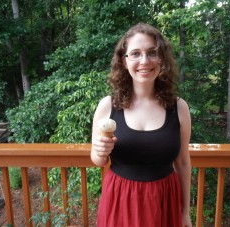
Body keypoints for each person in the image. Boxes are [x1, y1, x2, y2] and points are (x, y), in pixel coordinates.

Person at [91, 23, 192, 227]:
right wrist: (100, 152)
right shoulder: (107, 106)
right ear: (124, 61)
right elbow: (97, 160)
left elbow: (182, 163)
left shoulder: (179, 108)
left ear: (161, 59)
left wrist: (185, 213)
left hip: (165, 200)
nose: (144, 61)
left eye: (152, 53)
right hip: (120, 200)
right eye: (135, 53)